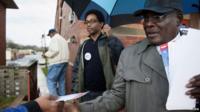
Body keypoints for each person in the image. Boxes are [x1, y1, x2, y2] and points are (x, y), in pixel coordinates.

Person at [64, 0, 200, 112]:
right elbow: (116, 96)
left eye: (158, 16)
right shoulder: (129, 55)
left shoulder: (195, 50)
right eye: (146, 17)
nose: (148, 23)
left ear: (178, 19)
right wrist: (80, 109)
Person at [72, 10, 124, 102]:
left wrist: (111, 37)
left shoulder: (109, 41)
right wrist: (75, 92)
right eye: (87, 22)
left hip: (105, 95)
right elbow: (76, 69)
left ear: (101, 24)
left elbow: (122, 61)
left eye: (93, 21)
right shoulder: (84, 45)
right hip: (86, 95)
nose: (88, 24)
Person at [43, 29, 70, 96]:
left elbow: (55, 50)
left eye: (50, 35)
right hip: (64, 62)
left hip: (56, 62)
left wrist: (46, 54)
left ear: (52, 33)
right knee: (61, 81)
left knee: (50, 80)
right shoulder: (63, 39)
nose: (50, 37)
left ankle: (54, 101)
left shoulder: (54, 38)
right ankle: (62, 100)